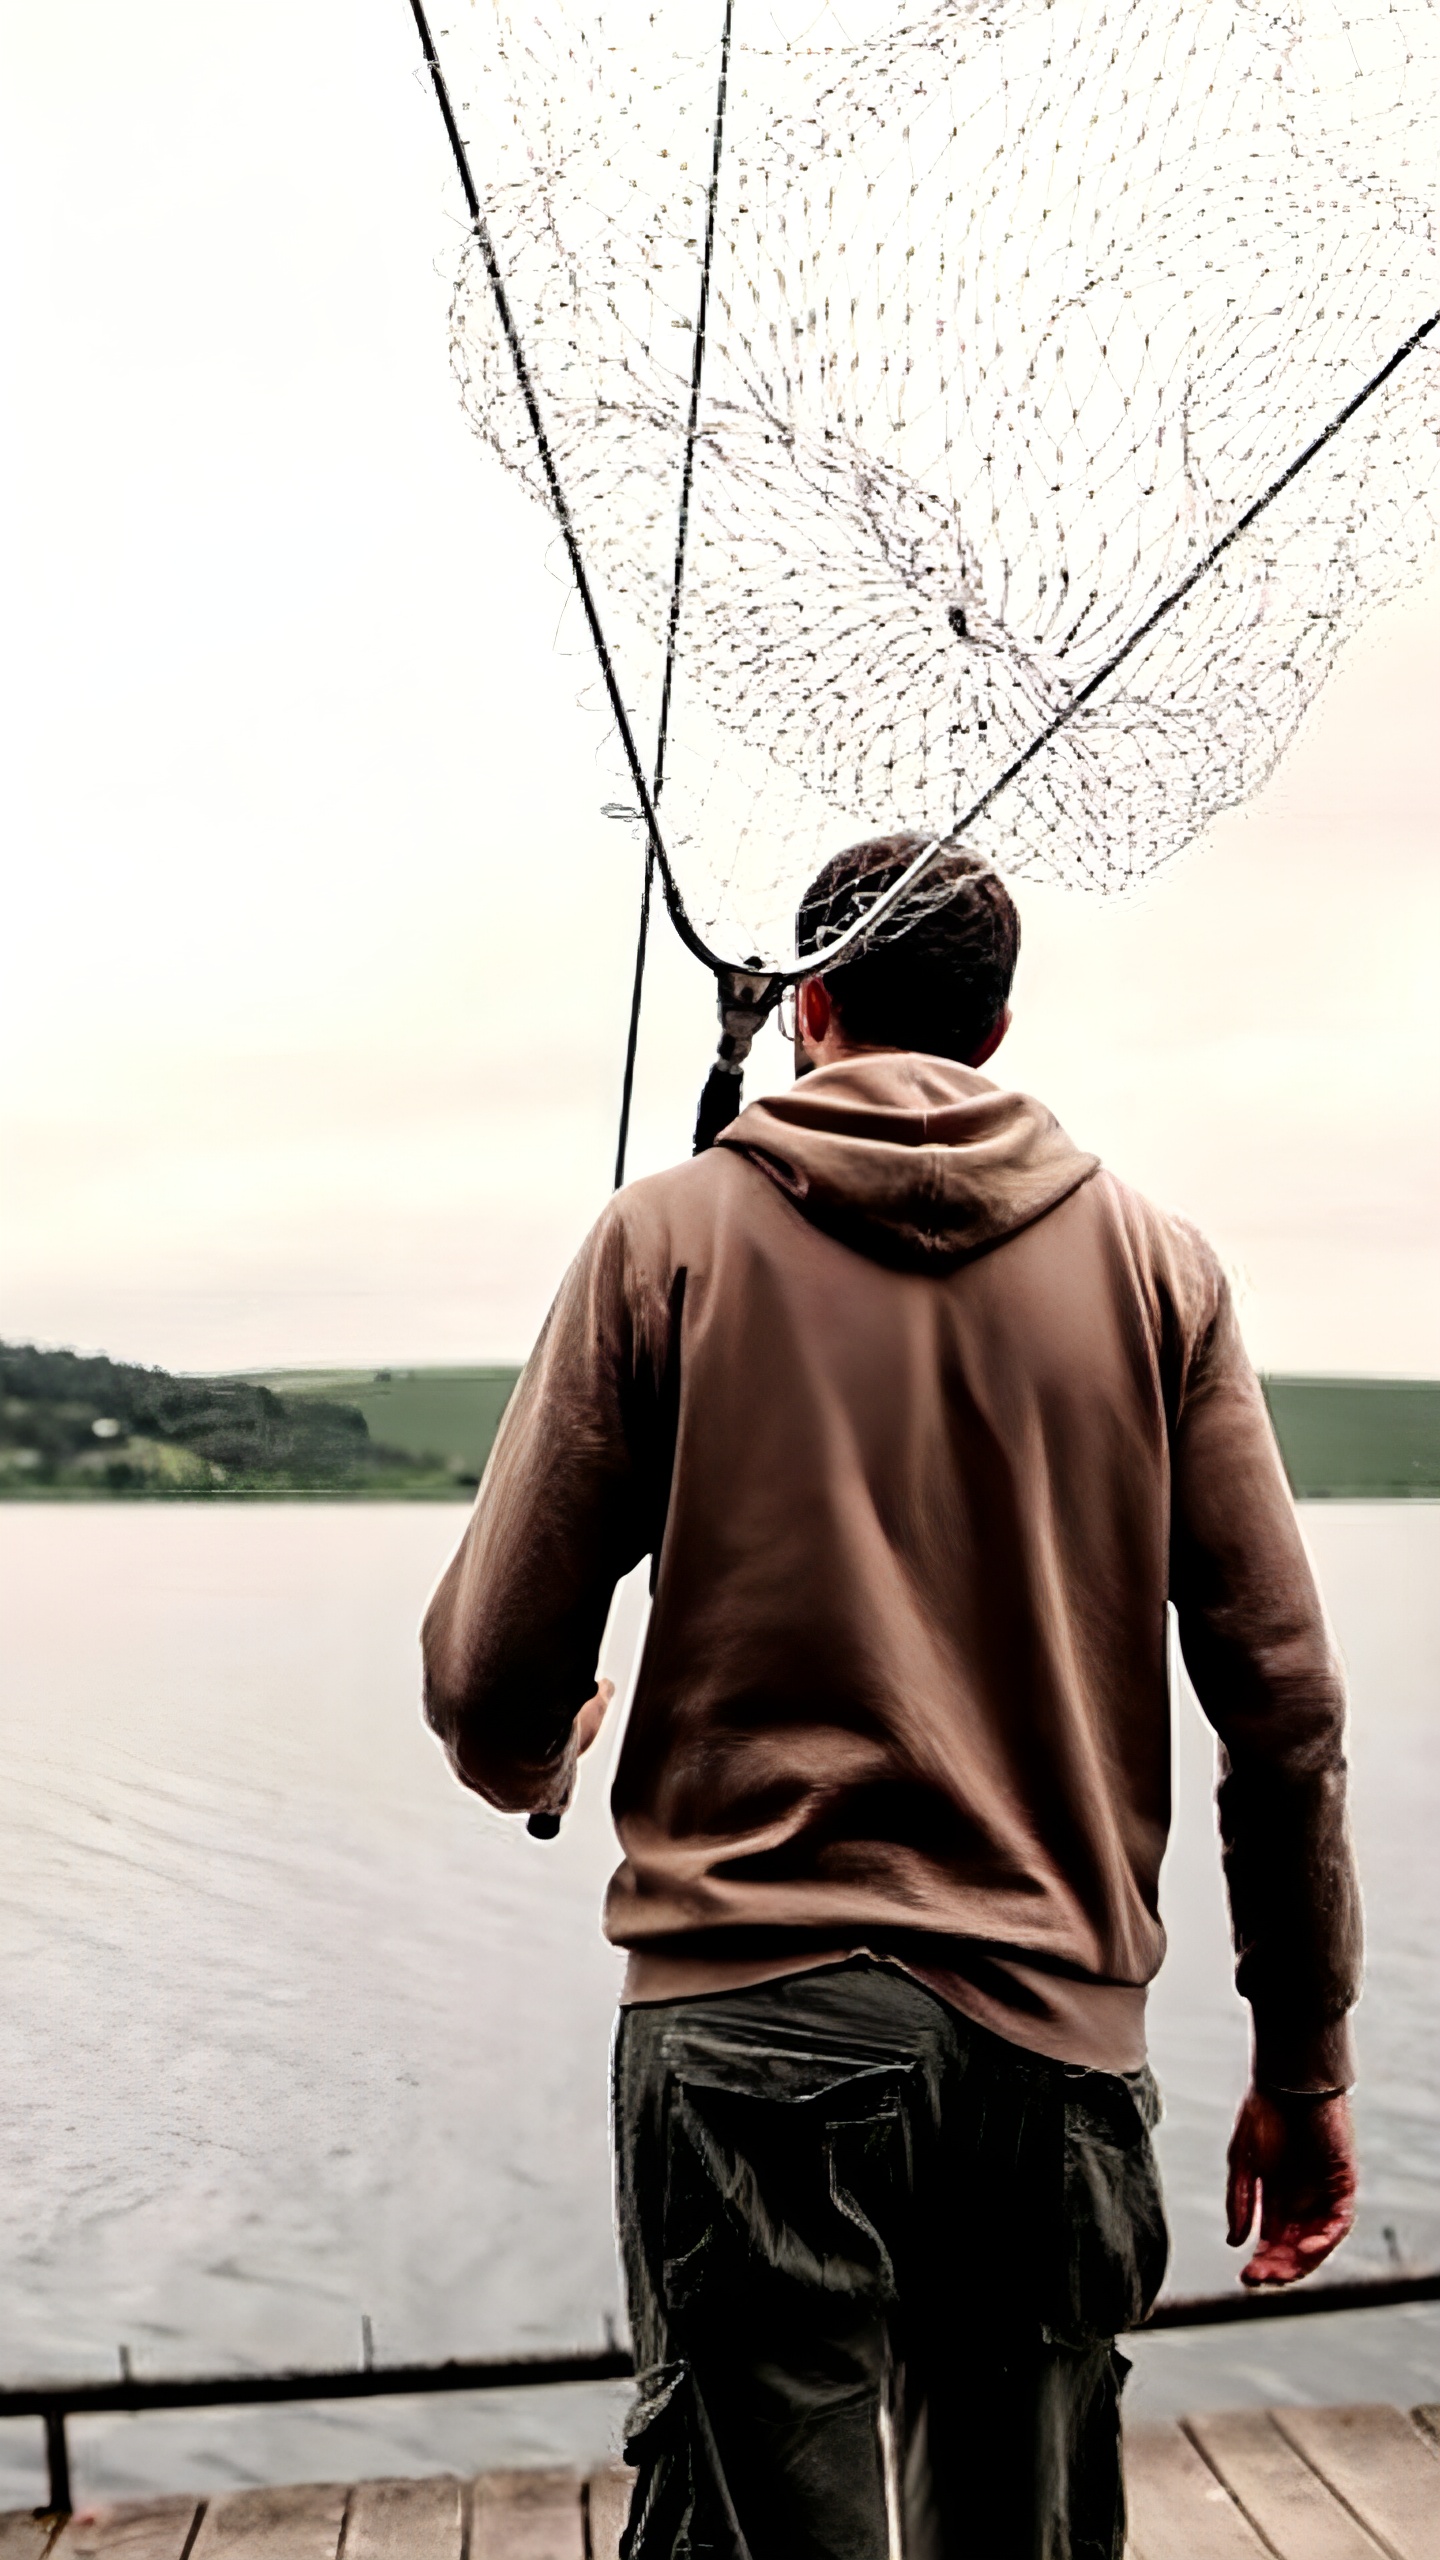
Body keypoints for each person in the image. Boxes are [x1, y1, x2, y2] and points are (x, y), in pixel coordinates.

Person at [421, 834, 1361, 2560]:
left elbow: (491, 1691)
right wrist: (1304, 2061)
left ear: (812, 1007)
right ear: (996, 1031)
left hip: (751, 2033)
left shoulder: (659, 1243)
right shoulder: (1167, 1272)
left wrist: (543, 1750)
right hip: (1056, 2053)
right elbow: (1286, 1705)